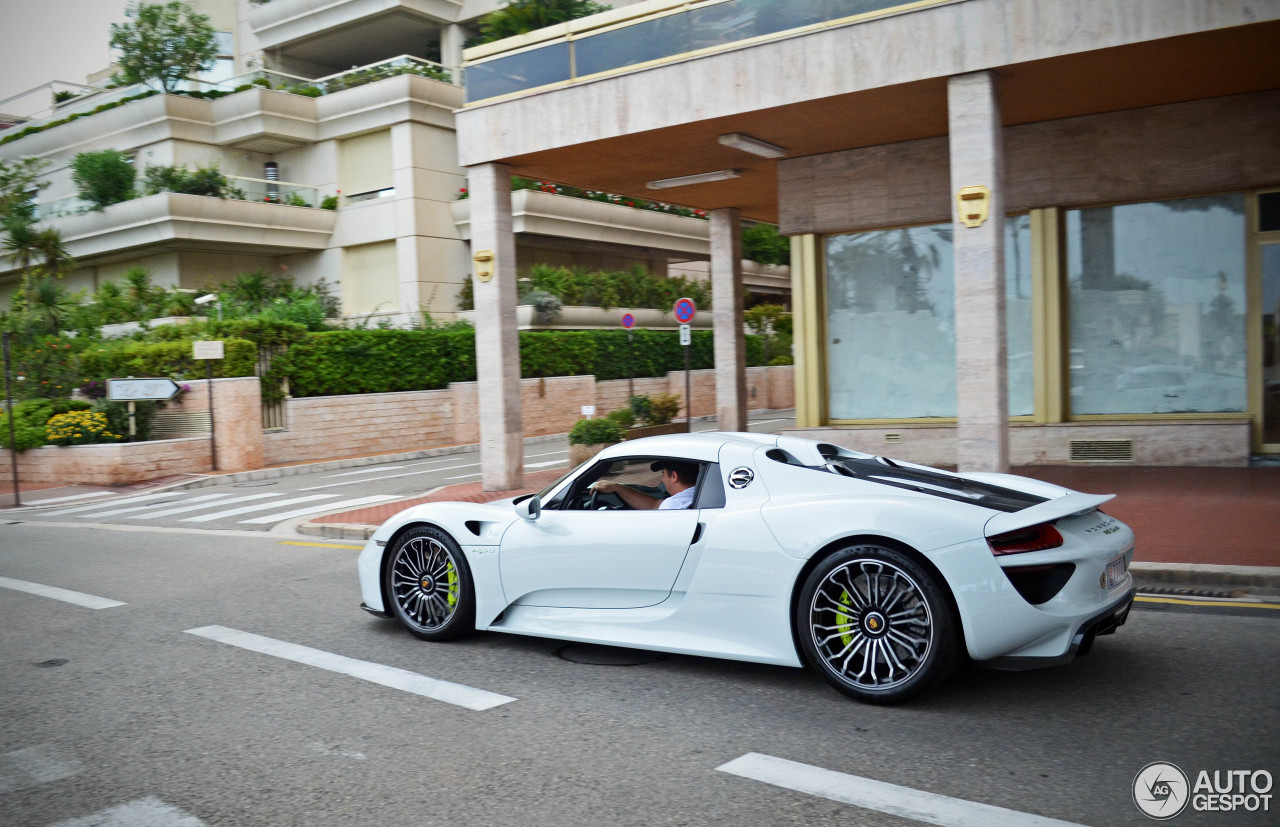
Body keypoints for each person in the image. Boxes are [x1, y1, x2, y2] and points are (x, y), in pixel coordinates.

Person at [590, 459, 698, 510]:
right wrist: (617, 487)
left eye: (663, 474)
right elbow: (655, 505)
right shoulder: (695, 494)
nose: (663, 479)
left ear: (674, 476)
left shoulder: (675, 506)